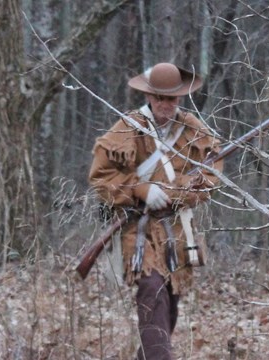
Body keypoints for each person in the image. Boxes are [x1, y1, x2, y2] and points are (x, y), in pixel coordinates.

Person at [88, 62, 223, 359]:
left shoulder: (193, 130)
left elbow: (211, 176)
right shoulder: (128, 127)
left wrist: (177, 193)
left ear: (180, 99)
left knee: (171, 304)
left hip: (177, 228)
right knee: (152, 291)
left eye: (171, 98)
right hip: (138, 229)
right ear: (149, 96)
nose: (165, 104)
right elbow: (101, 178)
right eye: (159, 98)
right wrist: (140, 189)